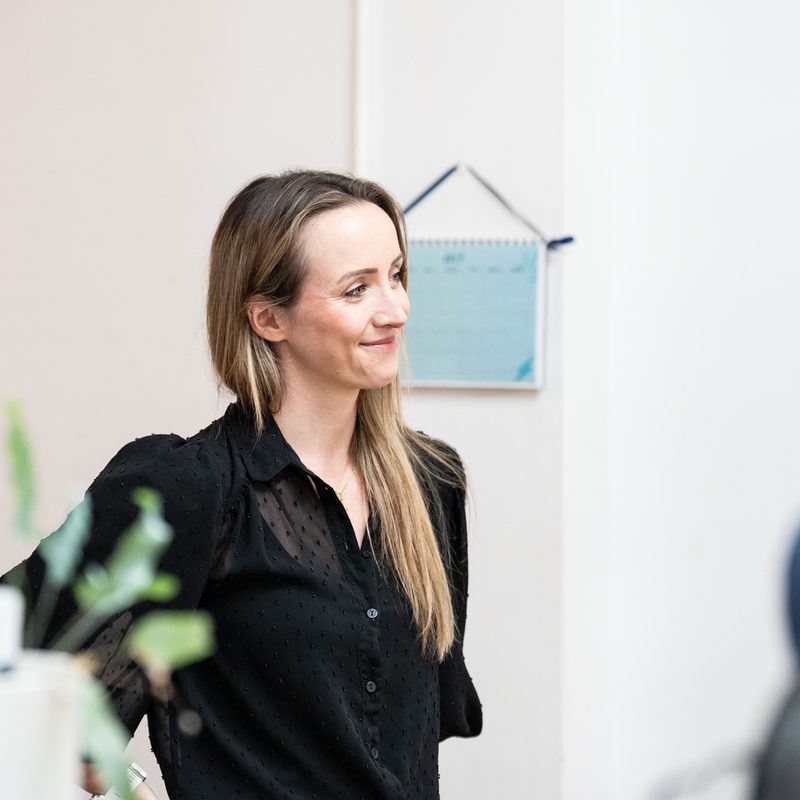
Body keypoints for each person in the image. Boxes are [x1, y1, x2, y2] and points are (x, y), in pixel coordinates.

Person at [5, 169, 483, 799]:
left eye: (395, 275)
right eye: (355, 290)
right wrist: (131, 787)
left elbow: (413, 735)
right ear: (267, 319)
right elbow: (23, 673)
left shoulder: (430, 484)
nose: (395, 309)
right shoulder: (188, 488)